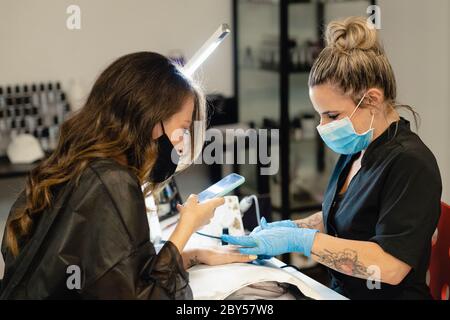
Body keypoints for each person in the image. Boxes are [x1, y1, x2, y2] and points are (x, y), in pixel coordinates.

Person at [0, 52, 255, 299]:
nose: (181, 143)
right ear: (152, 121)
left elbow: (113, 272)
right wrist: (186, 226)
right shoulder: (114, 182)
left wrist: (193, 254)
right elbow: (146, 296)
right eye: (183, 129)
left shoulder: (80, 166)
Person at [222, 17, 442, 300]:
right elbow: (344, 217)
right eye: (319, 115)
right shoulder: (358, 149)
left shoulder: (411, 164)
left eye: (332, 115)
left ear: (372, 99)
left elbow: (390, 266)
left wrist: (301, 241)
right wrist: (292, 228)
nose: (323, 126)